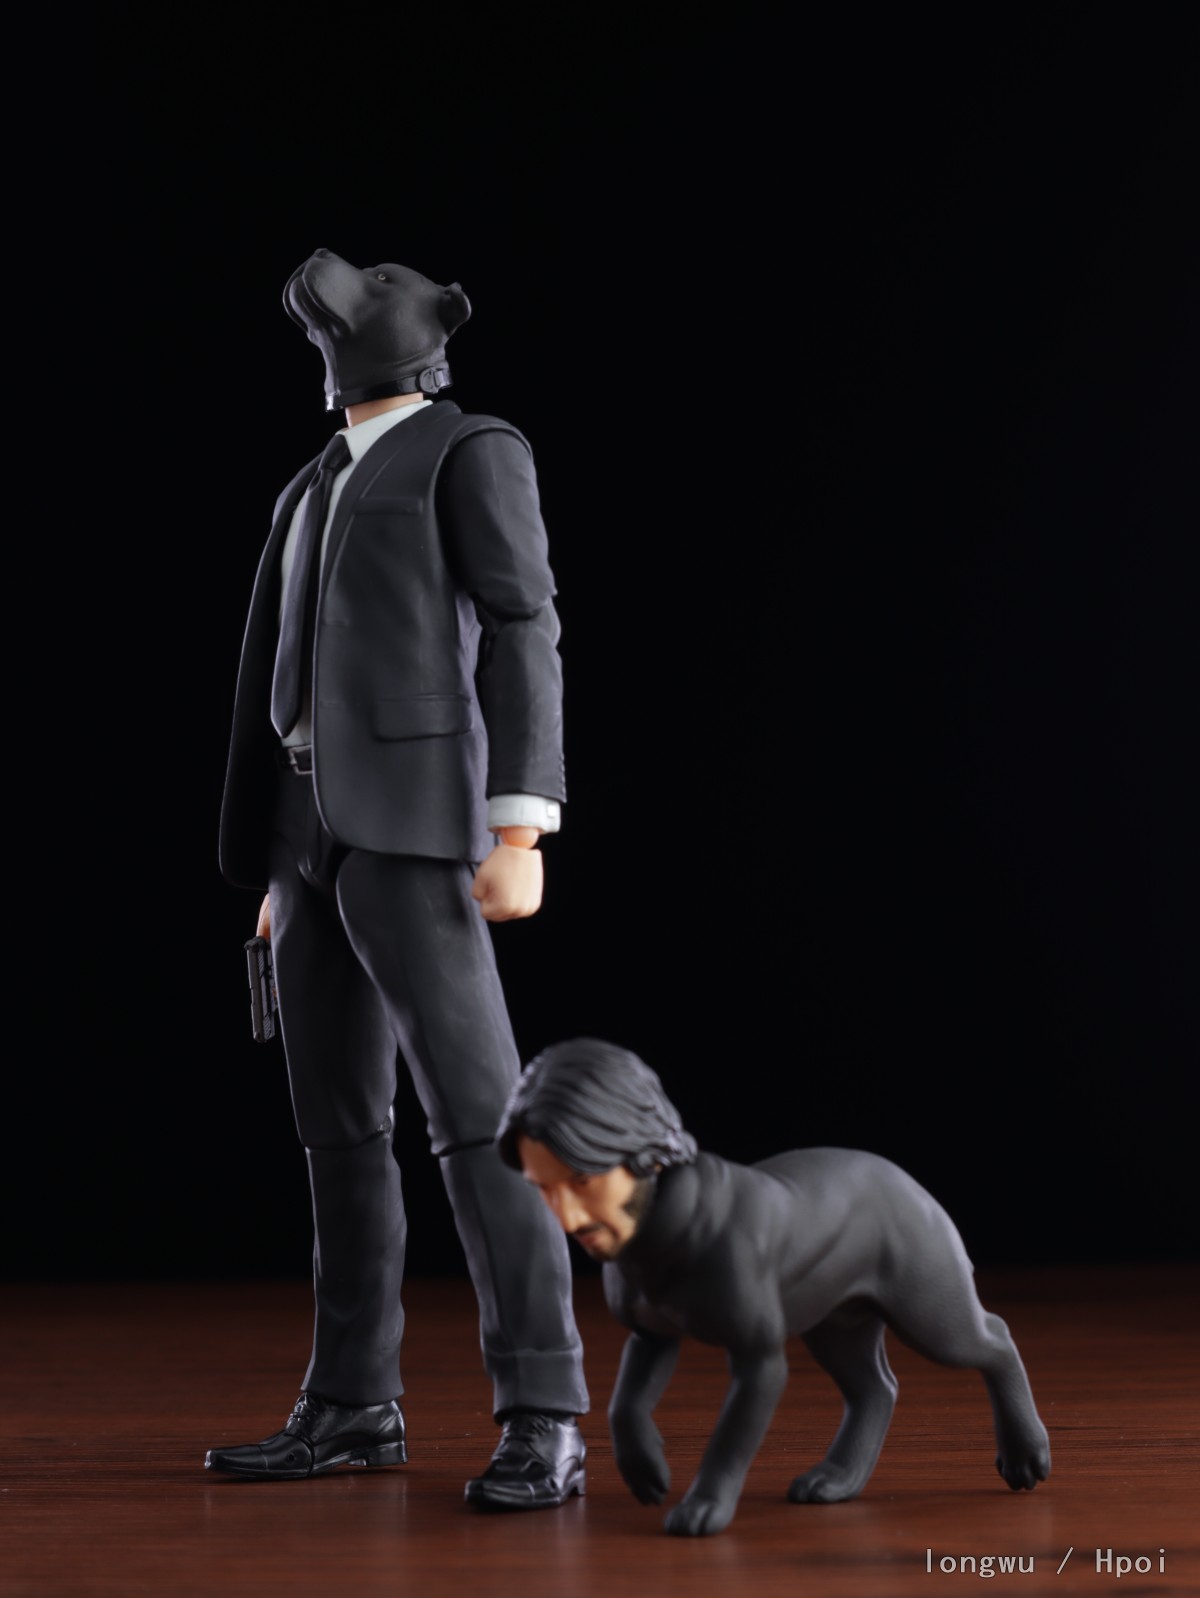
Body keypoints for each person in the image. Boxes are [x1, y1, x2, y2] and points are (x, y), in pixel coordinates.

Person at [206, 249, 588, 1511]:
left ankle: (544, 1407)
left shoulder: (470, 448)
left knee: (480, 1121)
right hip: (308, 831)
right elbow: (284, 670)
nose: (348, 301)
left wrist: (519, 824)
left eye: (374, 289)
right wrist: (276, 860)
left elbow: (524, 624)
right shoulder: (312, 479)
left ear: (418, 331)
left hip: (420, 828)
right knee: (337, 1127)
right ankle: (352, 1401)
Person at [497, 1038, 1050, 1536]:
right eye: (545, 1188)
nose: (567, 1218)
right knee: (860, 1375)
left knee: (956, 1341)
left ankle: (1004, 1371)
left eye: (582, 1181)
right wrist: (628, 1417)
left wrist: (714, 1488)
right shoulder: (622, 1246)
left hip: (889, 1220)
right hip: (821, 1243)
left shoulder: (724, 1248)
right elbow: (653, 1332)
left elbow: (761, 1369)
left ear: (645, 1154)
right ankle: (856, 1441)